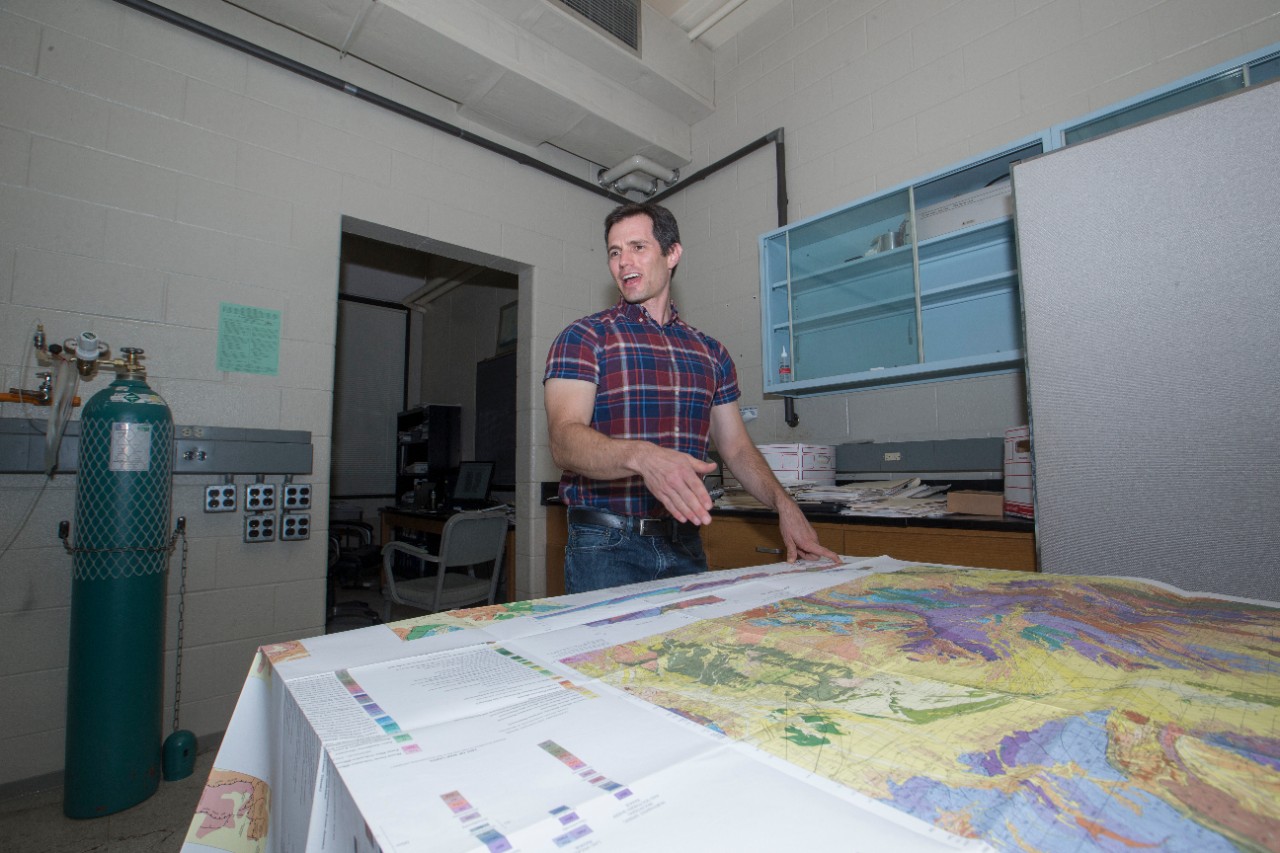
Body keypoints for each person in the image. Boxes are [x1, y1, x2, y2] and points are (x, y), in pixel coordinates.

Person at [543, 202, 840, 594]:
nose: (623, 261)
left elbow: (736, 448)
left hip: (685, 543)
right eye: (614, 252)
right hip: (606, 546)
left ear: (672, 254)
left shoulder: (710, 352)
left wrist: (784, 505)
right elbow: (564, 442)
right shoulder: (584, 338)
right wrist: (642, 457)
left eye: (637, 247)